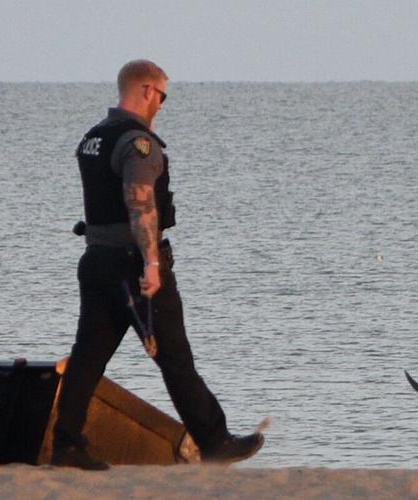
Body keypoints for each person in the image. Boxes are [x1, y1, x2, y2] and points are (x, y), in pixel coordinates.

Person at [51, 59, 264, 470]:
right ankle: (215, 440)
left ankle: (66, 444)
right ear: (147, 90)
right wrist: (151, 262)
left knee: (88, 356)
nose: (162, 105)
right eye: (162, 95)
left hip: (96, 262)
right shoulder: (138, 143)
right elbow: (140, 201)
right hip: (133, 267)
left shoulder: (92, 139)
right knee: (175, 357)